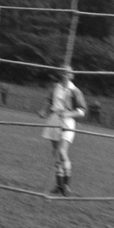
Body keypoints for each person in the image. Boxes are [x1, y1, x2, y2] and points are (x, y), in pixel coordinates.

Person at [40, 66, 86, 196]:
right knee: (56, 153)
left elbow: (82, 110)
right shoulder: (56, 87)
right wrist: (44, 110)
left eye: (68, 73)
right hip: (54, 119)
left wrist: (68, 114)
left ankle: (66, 185)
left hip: (67, 122)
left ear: (72, 75)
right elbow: (49, 101)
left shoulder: (75, 91)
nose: (65, 74)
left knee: (61, 151)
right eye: (63, 72)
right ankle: (58, 185)